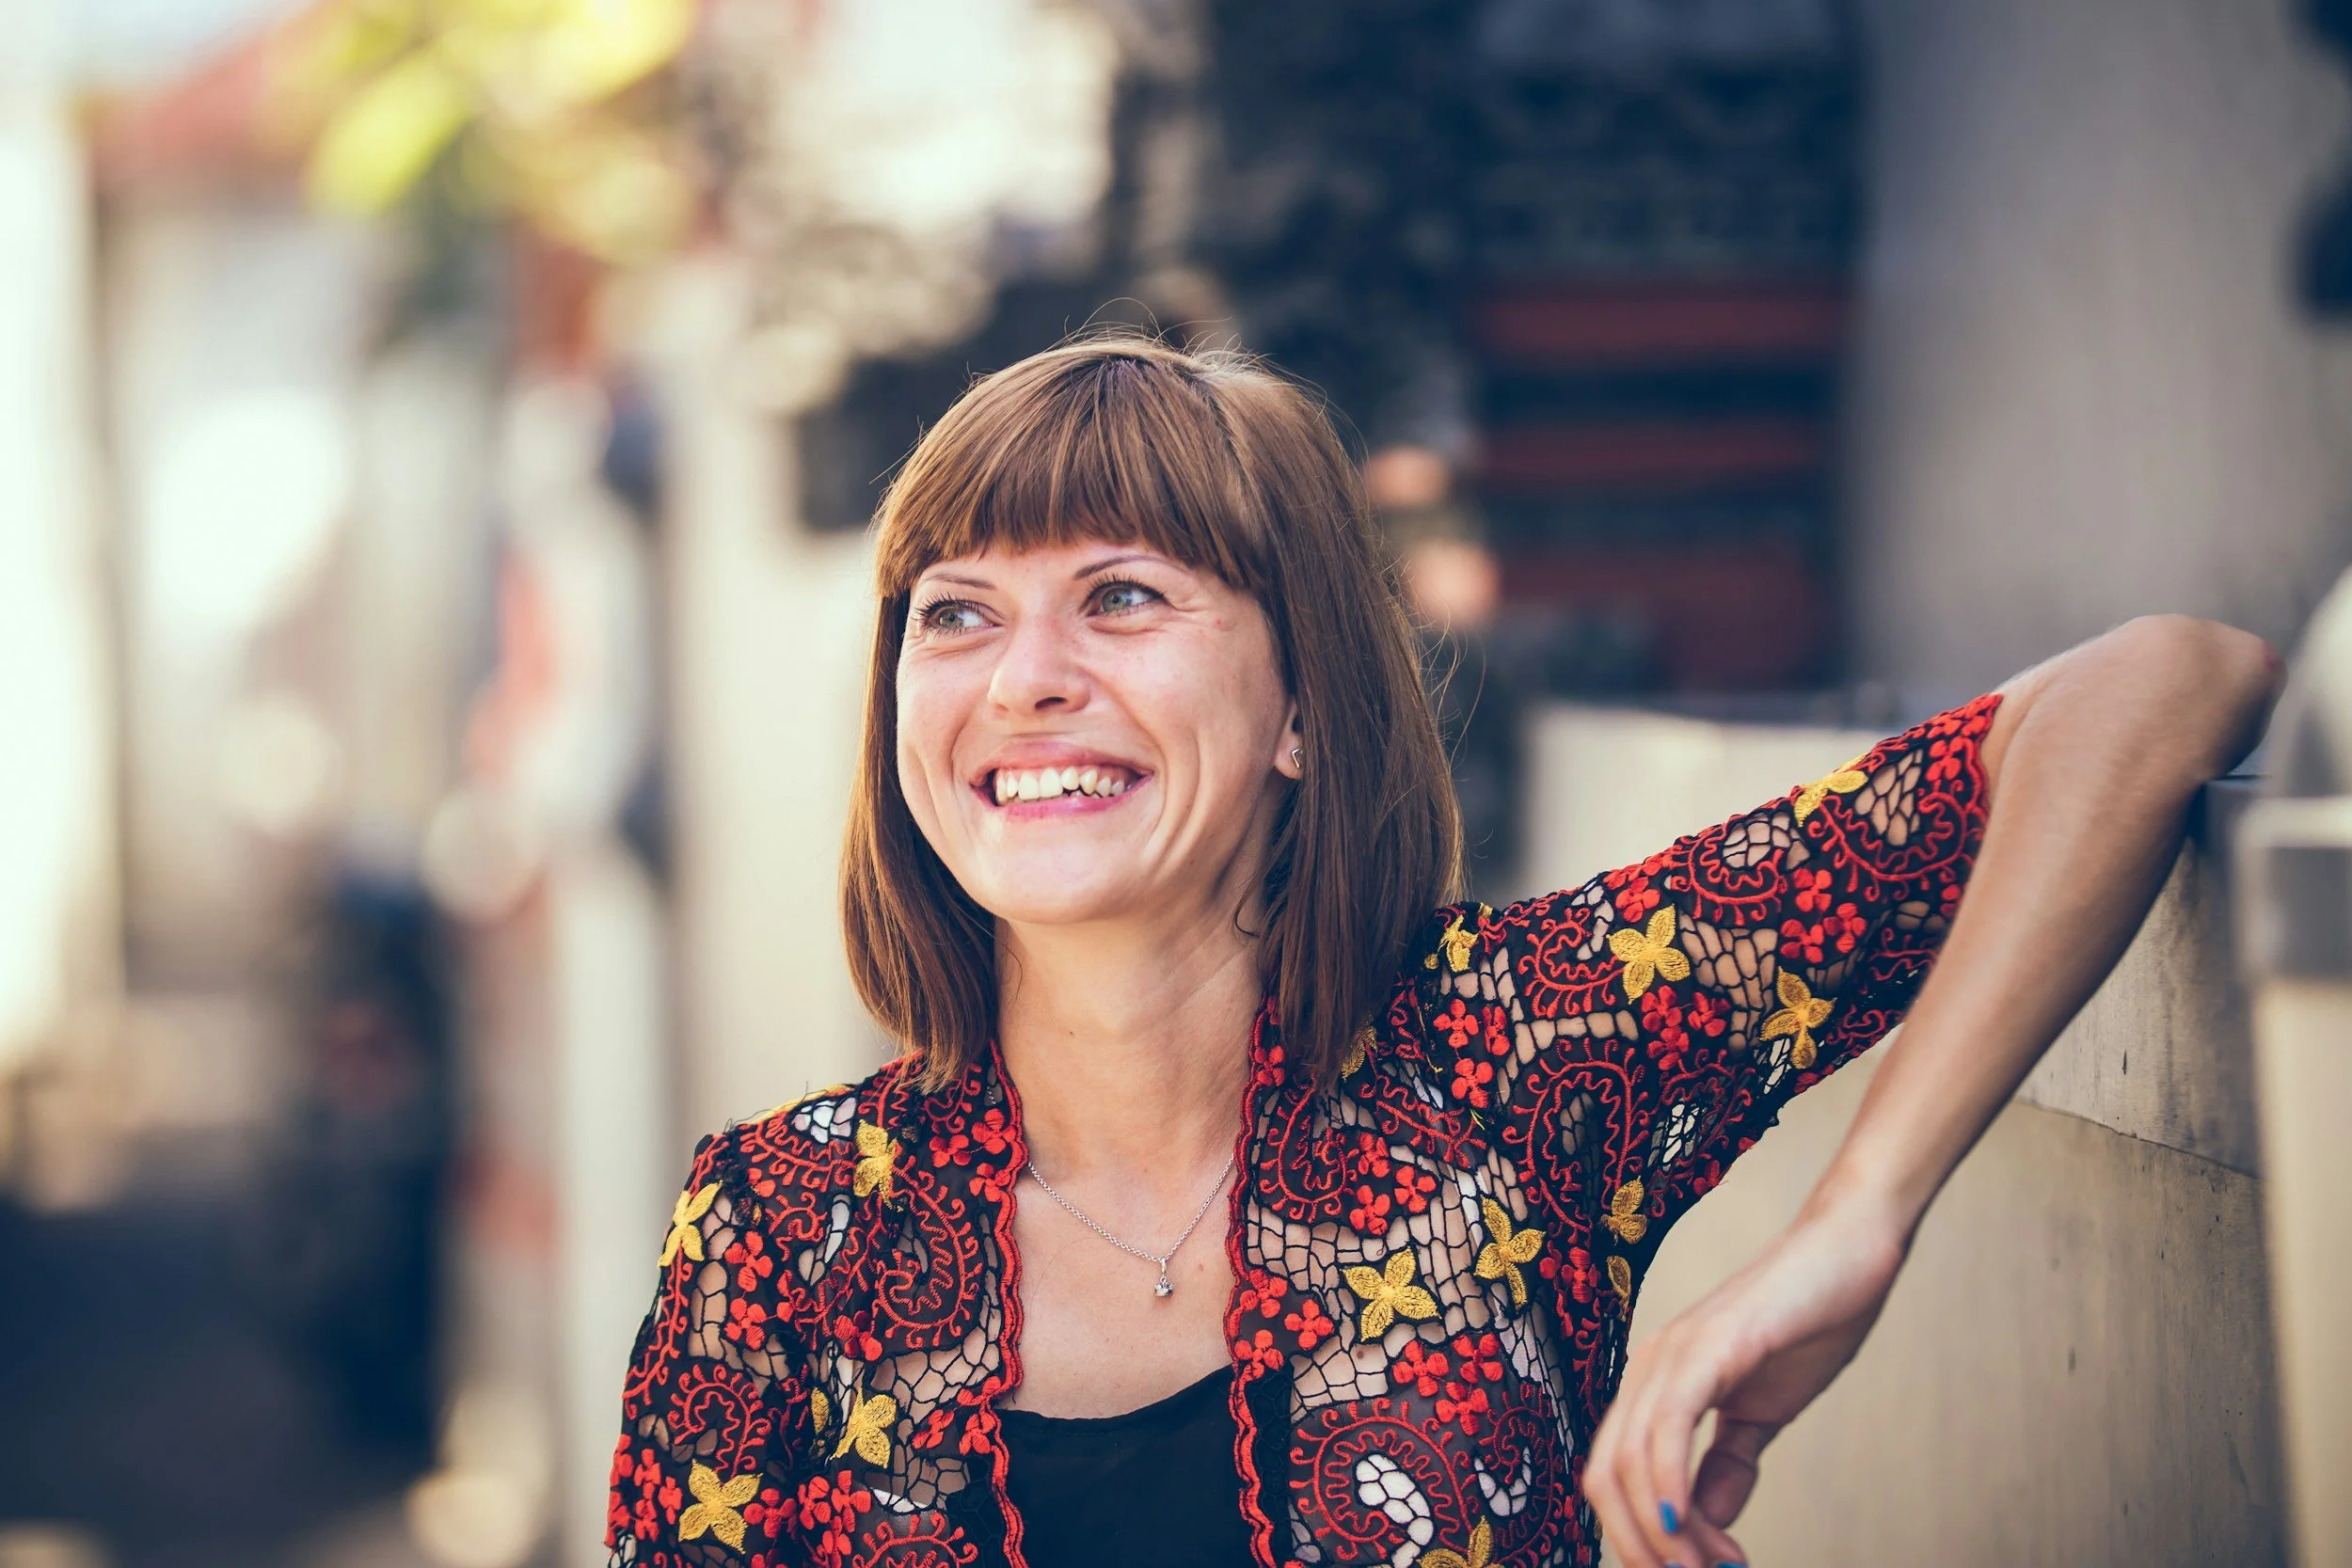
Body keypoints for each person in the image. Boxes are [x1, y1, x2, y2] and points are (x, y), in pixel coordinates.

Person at [604, 337, 2280, 1568]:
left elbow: (2163, 684)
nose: (1018, 676)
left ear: (1304, 709)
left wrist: (1859, 1219)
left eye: (1120, 596)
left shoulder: (1514, 1057)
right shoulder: (778, 1231)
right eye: (954, 610)